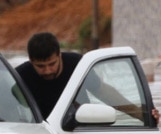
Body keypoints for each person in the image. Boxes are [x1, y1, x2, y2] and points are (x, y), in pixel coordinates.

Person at [17, 32, 159, 124]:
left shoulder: (78, 65)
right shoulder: (20, 76)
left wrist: (142, 114)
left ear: (59, 55)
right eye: (40, 66)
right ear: (31, 61)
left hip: (80, 129)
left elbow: (105, 93)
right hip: (42, 133)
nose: (48, 70)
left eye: (52, 64)